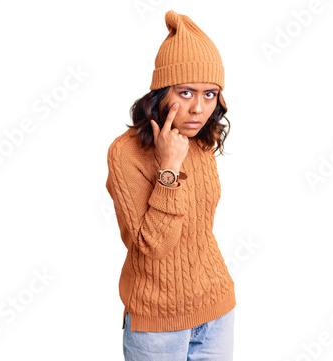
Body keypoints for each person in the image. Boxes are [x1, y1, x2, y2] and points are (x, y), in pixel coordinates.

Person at [105, 9, 236, 361]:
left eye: (210, 94)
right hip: (157, 321)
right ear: (162, 92)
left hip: (217, 306)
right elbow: (152, 247)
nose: (198, 108)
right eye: (186, 92)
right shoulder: (125, 152)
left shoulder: (204, 141)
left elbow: (201, 228)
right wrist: (169, 167)